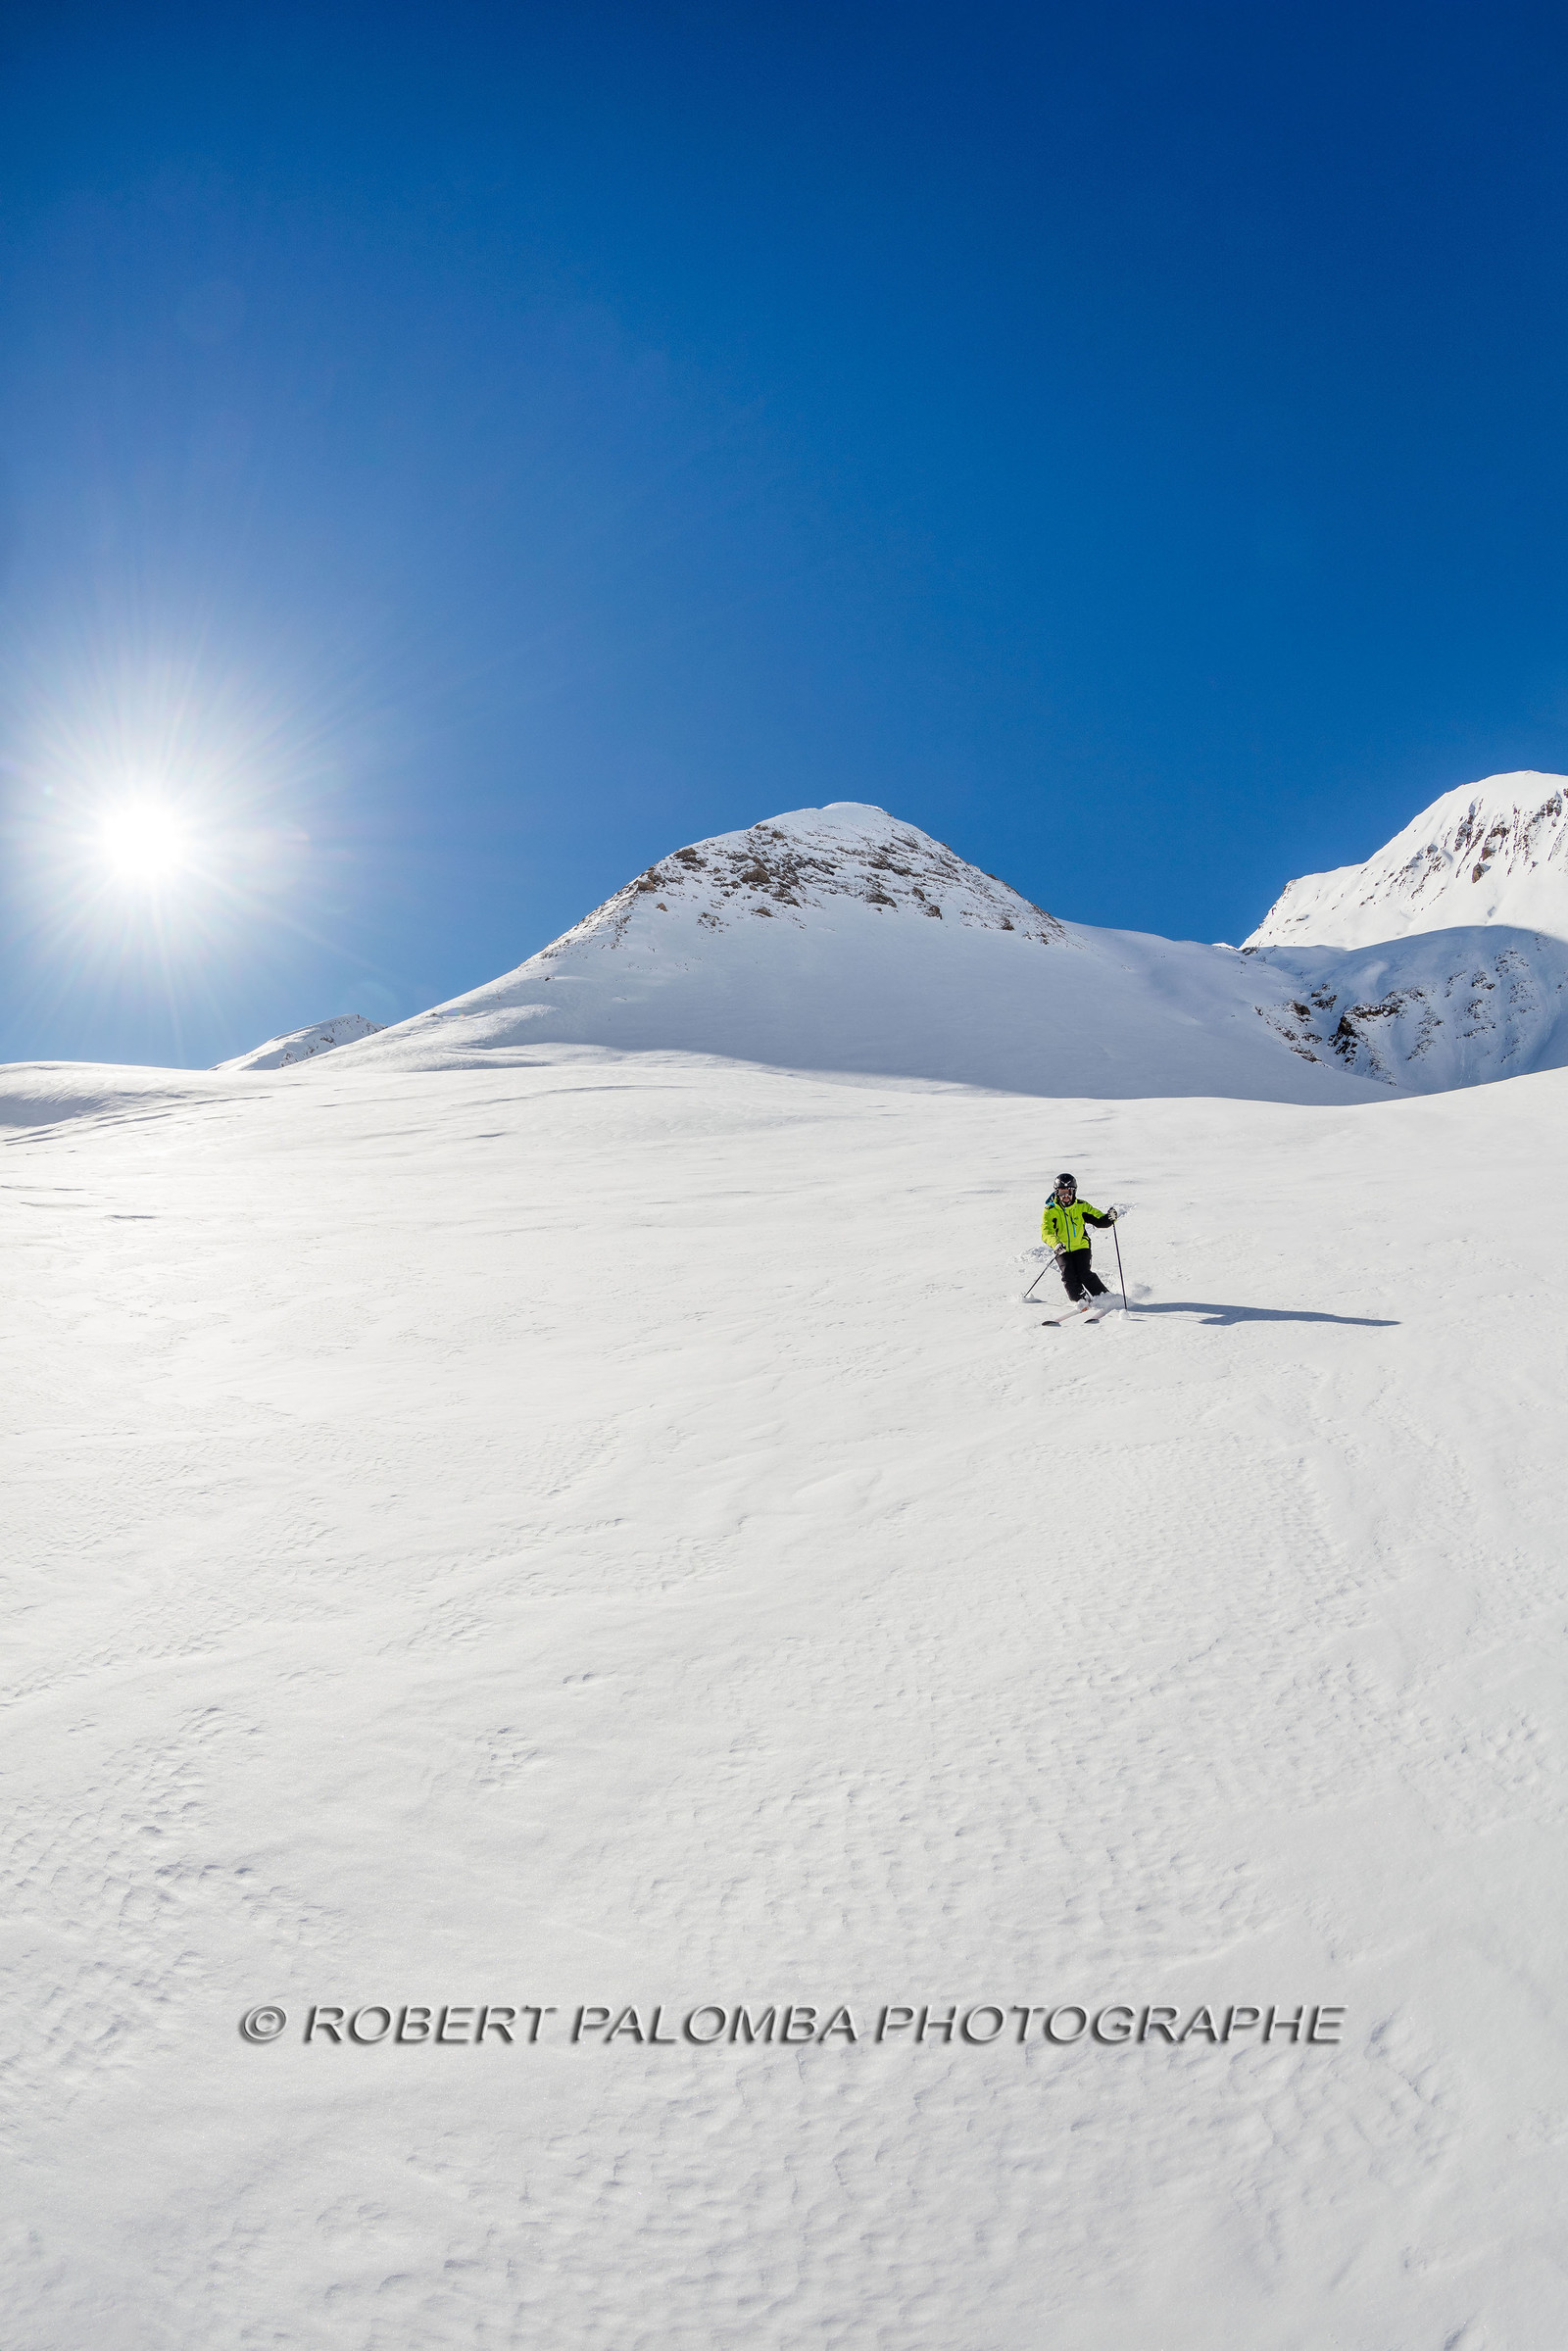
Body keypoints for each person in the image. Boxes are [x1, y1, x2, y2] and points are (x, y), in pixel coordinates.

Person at [1041, 1173, 1117, 1308]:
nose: (1066, 1197)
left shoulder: (1081, 1206)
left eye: (1068, 1192)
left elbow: (1099, 1220)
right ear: (1056, 1193)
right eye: (1062, 1193)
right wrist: (1056, 1243)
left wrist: (1109, 1219)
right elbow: (1046, 1232)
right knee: (1068, 1275)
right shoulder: (1050, 1211)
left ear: (1074, 1192)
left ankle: (1104, 1297)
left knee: (1084, 1273)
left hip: (1081, 1246)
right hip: (1062, 1248)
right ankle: (1080, 1300)